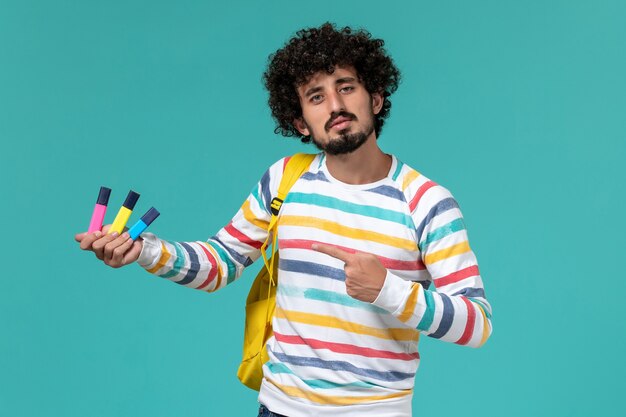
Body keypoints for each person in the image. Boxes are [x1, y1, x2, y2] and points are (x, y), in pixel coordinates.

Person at [76, 22, 492, 417]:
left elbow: (477, 325)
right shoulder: (284, 179)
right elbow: (220, 264)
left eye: (346, 87)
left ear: (376, 98)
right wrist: (144, 250)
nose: (335, 106)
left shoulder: (428, 202)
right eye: (316, 96)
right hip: (278, 408)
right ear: (300, 123)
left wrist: (387, 289)